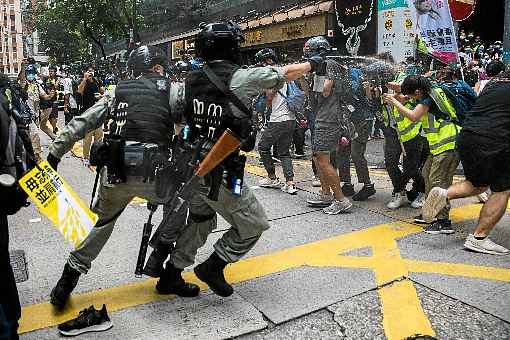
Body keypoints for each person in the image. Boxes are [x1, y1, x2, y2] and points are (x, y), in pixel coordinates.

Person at [153, 21, 324, 297]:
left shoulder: (189, 81)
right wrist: (312, 64)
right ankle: (214, 265)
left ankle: (171, 274)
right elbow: (286, 73)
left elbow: (175, 116)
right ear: (230, 47)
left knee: (201, 220)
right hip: (218, 169)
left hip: (189, 169)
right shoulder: (240, 77)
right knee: (254, 223)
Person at [48, 45, 200, 310]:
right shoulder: (172, 89)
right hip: (156, 177)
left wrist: (54, 154)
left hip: (115, 174)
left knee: (101, 225)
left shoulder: (116, 91)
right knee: (182, 202)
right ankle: (163, 256)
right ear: (156, 67)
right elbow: (190, 122)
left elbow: (82, 122)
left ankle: (67, 280)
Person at [422, 68, 510, 255]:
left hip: (467, 136)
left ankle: (444, 193)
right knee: (502, 189)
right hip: (493, 140)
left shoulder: (493, 85)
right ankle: (479, 237)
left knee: (477, 184)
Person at [384, 76, 460, 234]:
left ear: (418, 91)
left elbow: (413, 116)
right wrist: (389, 84)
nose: (409, 98)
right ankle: (430, 212)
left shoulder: (427, 100)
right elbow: (403, 88)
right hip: (438, 145)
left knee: (439, 182)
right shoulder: (430, 88)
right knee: (427, 175)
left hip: (448, 143)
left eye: (411, 96)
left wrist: (394, 102)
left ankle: (443, 221)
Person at [304, 36, 353, 214]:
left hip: (329, 119)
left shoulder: (330, 64)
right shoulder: (320, 67)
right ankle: (325, 193)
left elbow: (325, 91)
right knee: (318, 157)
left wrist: (314, 76)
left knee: (323, 160)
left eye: (310, 52)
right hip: (321, 117)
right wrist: (304, 77)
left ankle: (341, 200)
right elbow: (310, 92)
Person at [256, 48, 298, 195]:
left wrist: (266, 100)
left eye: (261, 62)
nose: (260, 66)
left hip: (278, 119)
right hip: (291, 118)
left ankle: (272, 178)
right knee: (284, 152)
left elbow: (270, 96)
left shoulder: (271, 73)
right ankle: (290, 183)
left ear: (268, 60)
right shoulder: (284, 71)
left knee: (263, 147)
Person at [336, 65, 376, 201]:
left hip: (361, 120)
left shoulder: (354, 73)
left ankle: (368, 185)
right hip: (346, 120)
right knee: (342, 152)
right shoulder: (337, 74)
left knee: (356, 153)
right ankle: (347, 184)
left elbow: (353, 91)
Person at [77, 66, 105, 166]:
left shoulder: (97, 81)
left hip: (98, 112)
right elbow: (79, 91)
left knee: (99, 136)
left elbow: (103, 92)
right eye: (88, 71)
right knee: (88, 137)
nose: (90, 72)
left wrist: (101, 96)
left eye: (92, 71)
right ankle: (85, 157)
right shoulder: (82, 81)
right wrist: (85, 79)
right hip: (87, 112)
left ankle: (96, 157)